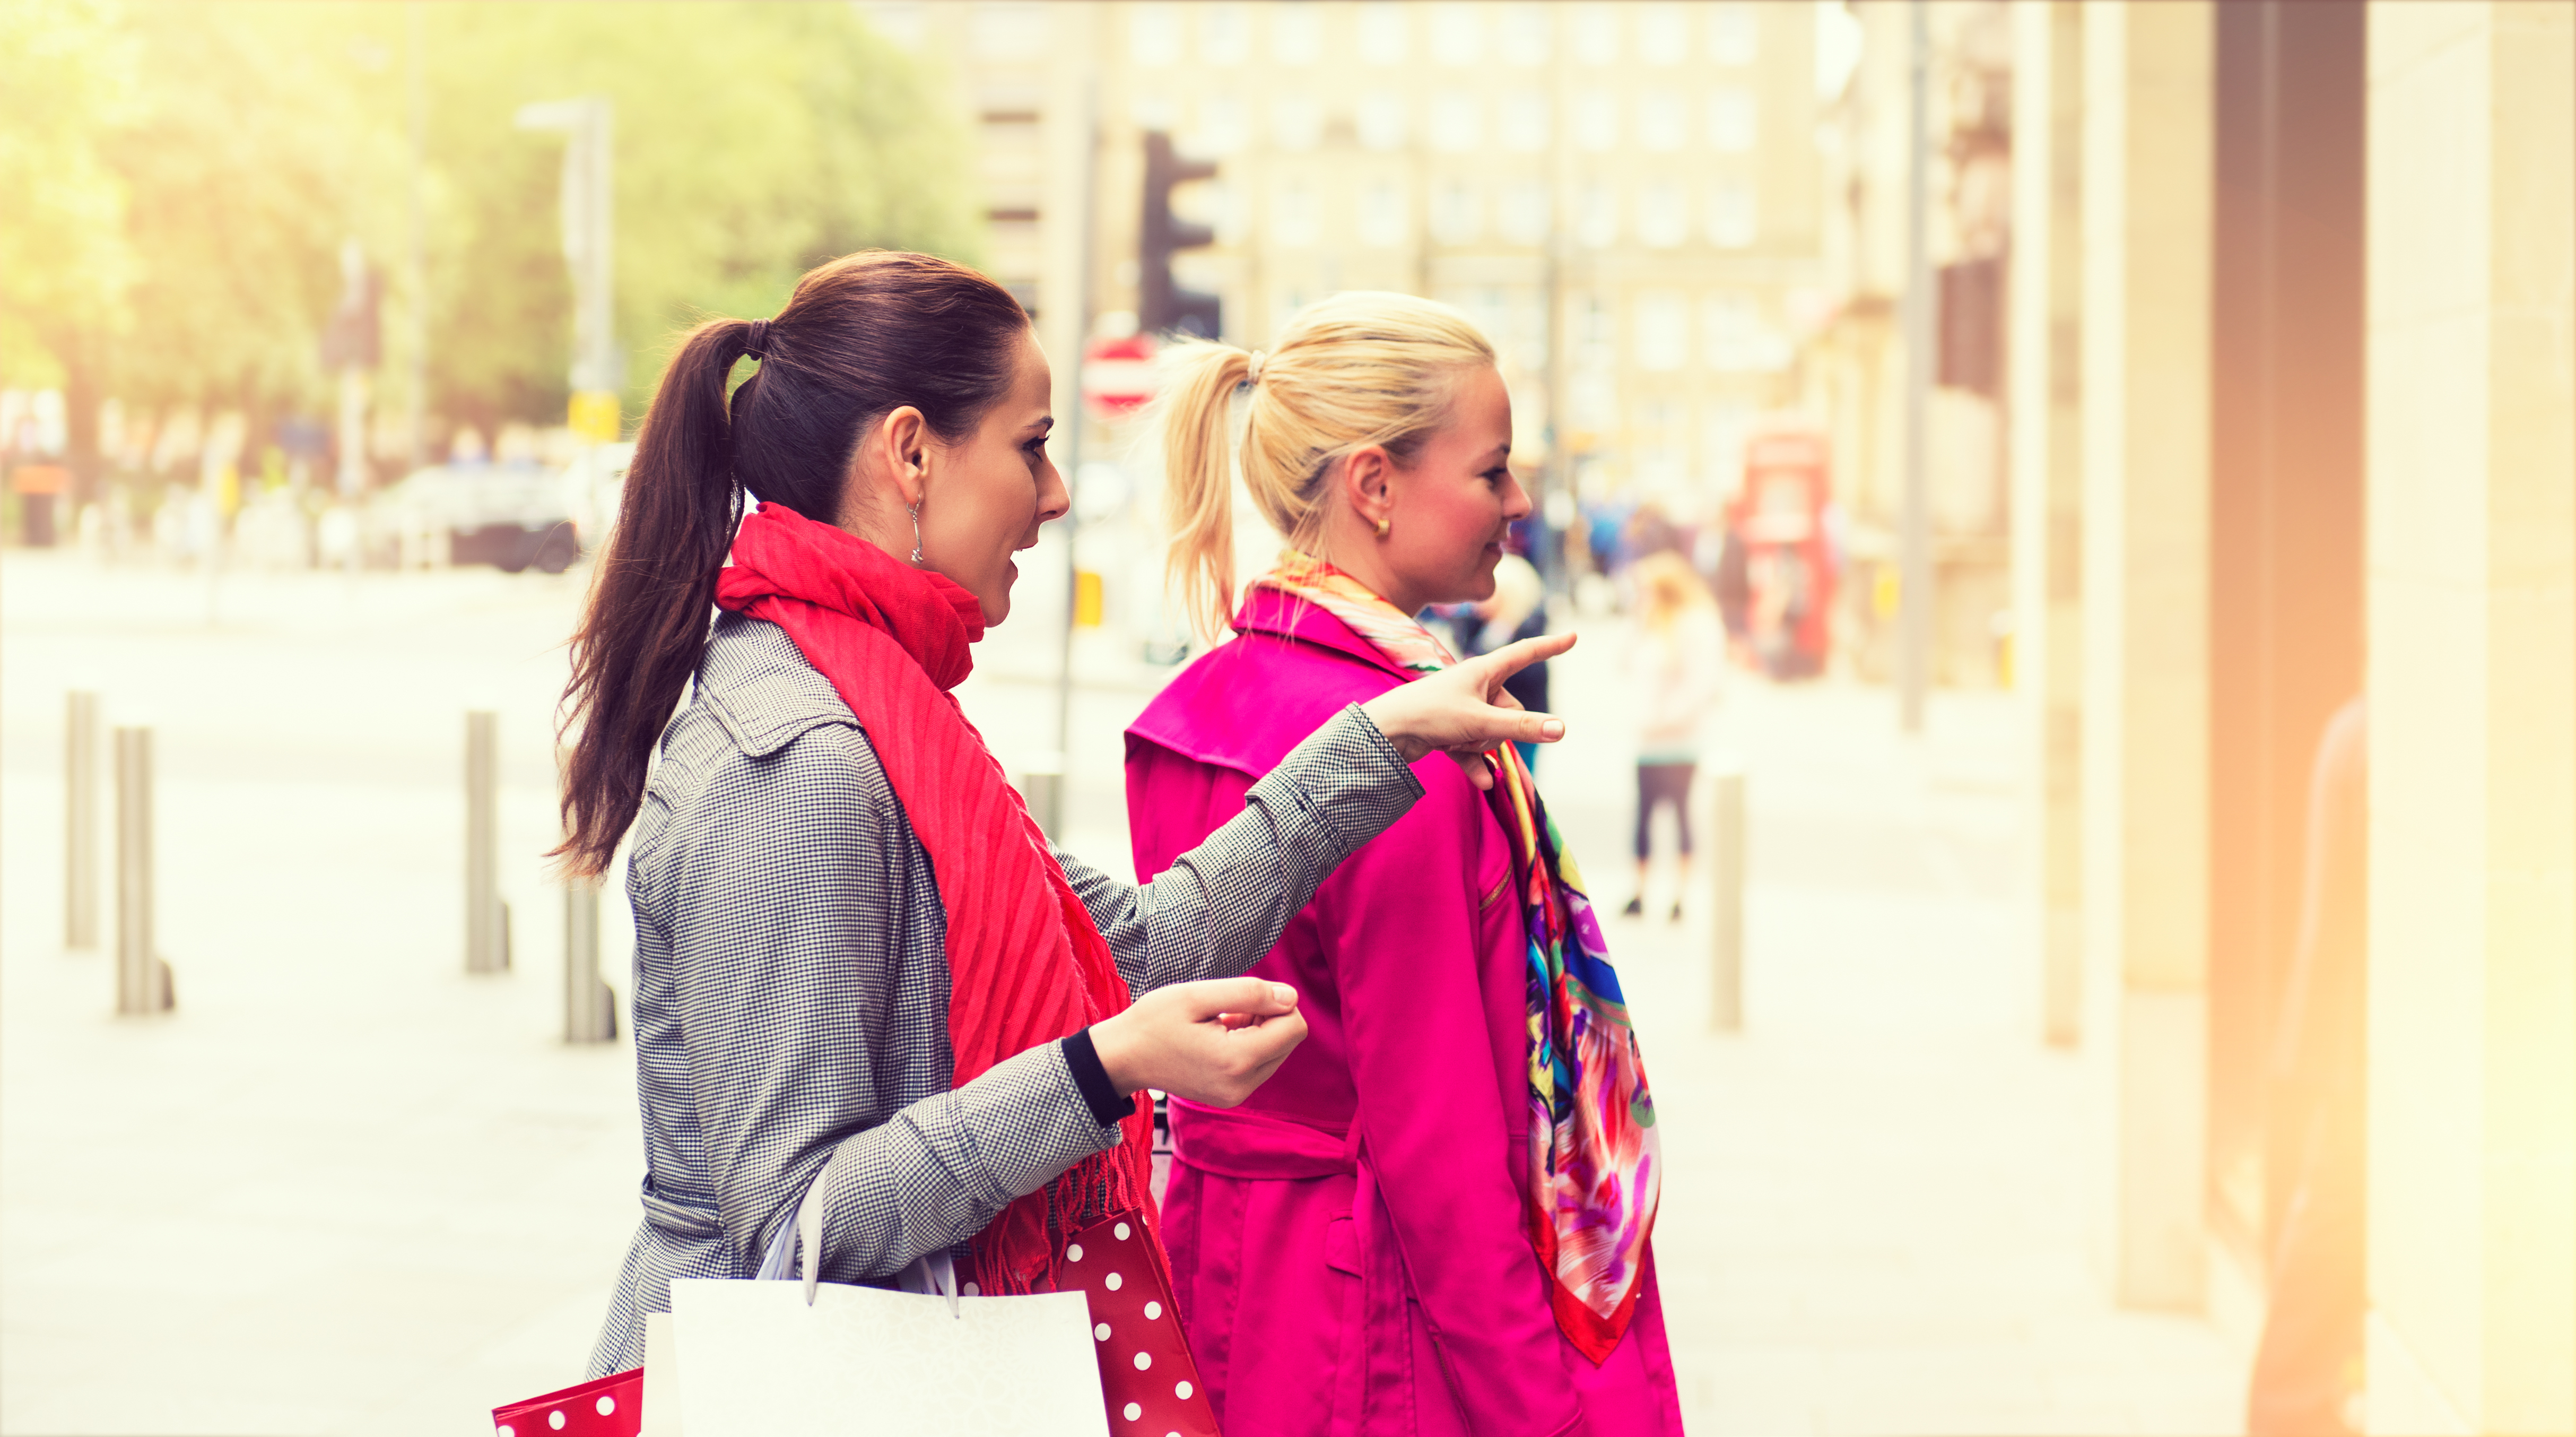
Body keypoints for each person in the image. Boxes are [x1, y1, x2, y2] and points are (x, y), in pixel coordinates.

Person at [555, 254, 1564, 1377]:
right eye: (1030, 446)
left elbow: (1129, 946)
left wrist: (1381, 739)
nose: (1056, 495)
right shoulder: (806, 758)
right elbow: (800, 1221)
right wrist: (1099, 1072)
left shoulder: (889, 711)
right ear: (909, 453)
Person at [1125, 292, 1681, 1436]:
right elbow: (1445, 1159)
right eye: (1492, 471)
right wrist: (1552, 1414)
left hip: (1218, 1282)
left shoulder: (1192, 709)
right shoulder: (1408, 752)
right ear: (1373, 485)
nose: (1519, 503)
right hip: (1371, 1332)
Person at [1622, 550, 1724, 921]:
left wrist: (1668, 718)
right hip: (1648, 739)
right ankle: (1640, 891)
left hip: (1680, 739)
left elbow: (1704, 682)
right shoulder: (1649, 623)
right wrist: (1637, 622)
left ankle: (1680, 894)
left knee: (1681, 814)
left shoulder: (1696, 624)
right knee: (1643, 815)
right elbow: (1624, 663)